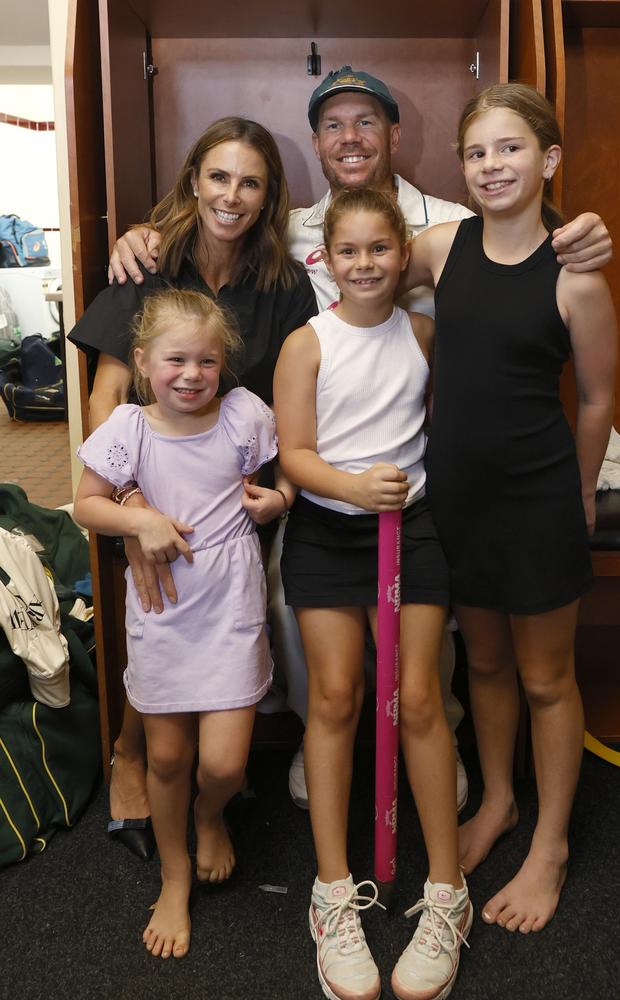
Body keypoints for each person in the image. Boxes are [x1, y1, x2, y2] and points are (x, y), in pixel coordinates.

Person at [107, 66, 613, 816]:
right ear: (315, 143)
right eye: (334, 126)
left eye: (366, 123)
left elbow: (533, 262)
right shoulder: (309, 228)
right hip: (324, 466)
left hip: (438, 471)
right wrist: (150, 231)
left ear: (395, 136)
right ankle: (327, 738)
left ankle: (440, 741)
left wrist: (587, 228)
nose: (350, 139)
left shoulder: (446, 222)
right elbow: (231, 220)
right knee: (299, 606)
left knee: (465, 643)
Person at [400, 82, 617, 936]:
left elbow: (597, 398)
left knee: (542, 676)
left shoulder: (577, 276)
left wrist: (582, 499)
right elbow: (356, 256)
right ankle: (497, 803)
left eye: (512, 149)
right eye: (477, 152)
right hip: (458, 497)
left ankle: (553, 842)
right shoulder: (442, 246)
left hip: (538, 502)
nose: (492, 165)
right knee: (482, 665)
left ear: (549, 159)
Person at [68, 117, 317, 858]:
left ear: (269, 198)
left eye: (251, 182)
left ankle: (210, 775)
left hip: (233, 503)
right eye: (218, 176)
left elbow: (295, 400)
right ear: (193, 181)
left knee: (218, 623)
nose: (231, 196)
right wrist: (132, 501)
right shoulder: (148, 262)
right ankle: (132, 752)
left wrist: (279, 491)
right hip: (145, 492)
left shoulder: (283, 283)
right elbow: (106, 392)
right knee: (155, 616)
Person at [274, 187, 471, 1000]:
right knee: (338, 697)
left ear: (404, 254)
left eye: (380, 250)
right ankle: (331, 894)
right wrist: (352, 491)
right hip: (330, 531)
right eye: (348, 251)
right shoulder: (305, 343)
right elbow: (295, 455)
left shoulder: (424, 334)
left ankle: (447, 894)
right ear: (325, 259)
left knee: (420, 699)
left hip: (411, 529)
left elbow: (436, 432)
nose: (365, 264)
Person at [73, 288, 279, 959]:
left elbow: (274, 476)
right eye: (175, 360)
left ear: (224, 365)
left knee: (222, 763)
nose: (191, 374)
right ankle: (173, 874)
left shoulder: (244, 415)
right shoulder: (128, 429)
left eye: (206, 361)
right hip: (162, 609)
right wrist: (141, 518)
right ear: (141, 361)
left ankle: (208, 813)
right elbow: (86, 506)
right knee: (166, 754)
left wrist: (279, 496)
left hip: (230, 606)